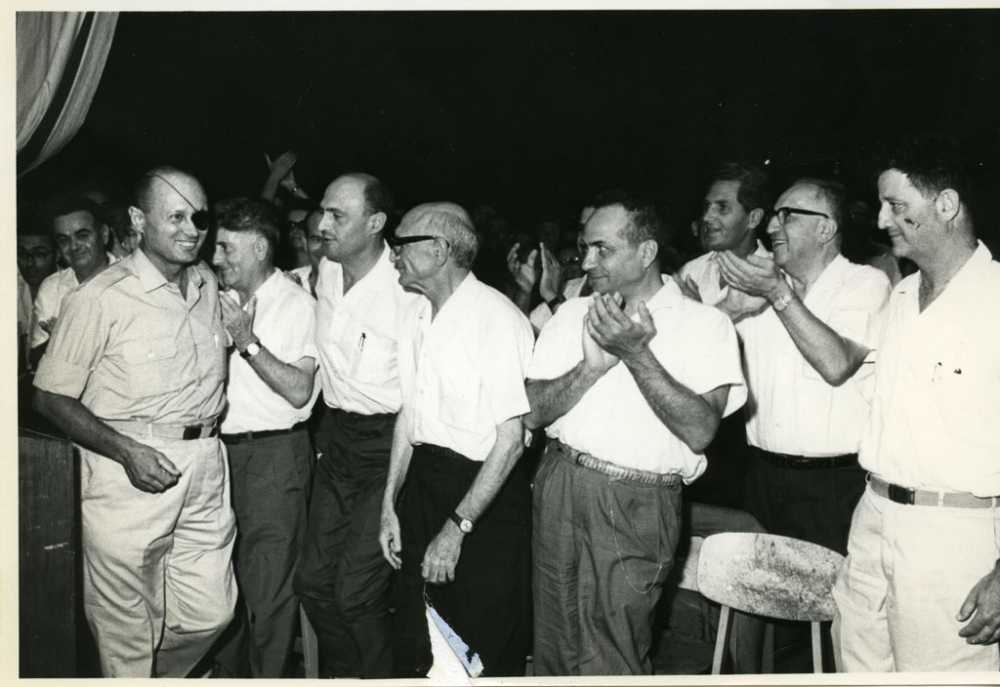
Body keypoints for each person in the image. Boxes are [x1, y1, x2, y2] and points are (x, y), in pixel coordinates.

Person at [524, 190, 747, 675]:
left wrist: (635, 353)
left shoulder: (704, 325)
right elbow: (533, 414)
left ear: (646, 252)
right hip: (560, 481)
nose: (587, 261)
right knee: (553, 646)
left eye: (602, 249)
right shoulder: (571, 313)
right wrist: (589, 369)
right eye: (585, 247)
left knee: (613, 654)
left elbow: (701, 430)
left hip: (636, 500)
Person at [32, 166, 236, 677]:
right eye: (175, 217)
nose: (191, 229)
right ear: (138, 220)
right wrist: (126, 451)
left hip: (205, 466)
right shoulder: (100, 297)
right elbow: (49, 397)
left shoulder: (206, 281)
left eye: (198, 217)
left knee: (211, 613)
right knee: (126, 630)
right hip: (128, 473)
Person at [832, 136, 1000, 671]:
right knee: (857, 669)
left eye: (896, 205)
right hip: (874, 516)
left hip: (954, 536)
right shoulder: (902, 296)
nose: (882, 220)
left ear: (946, 205)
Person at [379, 202, 535, 677]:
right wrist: (389, 504)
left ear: (440, 249)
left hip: (482, 500)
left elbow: (511, 441)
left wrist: (456, 529)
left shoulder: (498, 319)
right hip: (424, 487)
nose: (392, 255)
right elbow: (409, 416)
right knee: (416, 639)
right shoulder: (414, 315)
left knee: (477, 648)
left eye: (401, 244)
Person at [715, 178, 891, 556]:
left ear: (825, 228)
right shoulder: (762, 286)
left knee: (828, 591)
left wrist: (777, 294)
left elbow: (836, 364)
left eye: (787, 216)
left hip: (833, 488)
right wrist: (729, 309)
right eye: (774, 216)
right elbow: (691, 360)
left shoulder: (864, 284)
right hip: (760, 480)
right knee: (754, 589)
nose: (771, 227)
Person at [293, 172, 417, 677]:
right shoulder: (326, 270)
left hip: (389, 444)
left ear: (376, 223)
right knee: (312, 584)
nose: (321, 224)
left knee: (356, 593)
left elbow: (418, 399)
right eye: (323, 211)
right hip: (337, 438)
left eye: (337, 215)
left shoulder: (407, 289)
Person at [209, 197, 319, 677]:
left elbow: (299, 391)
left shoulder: (296, 305)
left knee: (269, 588)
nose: (217, 259)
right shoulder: (218, 298)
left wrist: (246, 341)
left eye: (227, 249)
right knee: (221, 582)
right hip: (219, 454)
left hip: (273, 456)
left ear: (258, 248)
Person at [30, 196, 115, 354]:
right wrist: (58, 339)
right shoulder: (52, 287)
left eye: (82, 235)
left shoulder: (132, 279)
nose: (74, 246)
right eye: (64, 240)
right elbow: (34, 357)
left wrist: (67, 338)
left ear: (104, 234)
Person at [289, 208, 323, 297]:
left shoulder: (353, 287)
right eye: (317, 240)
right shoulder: (289, 281)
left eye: (329, 240)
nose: (323, 249)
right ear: (305, 241)